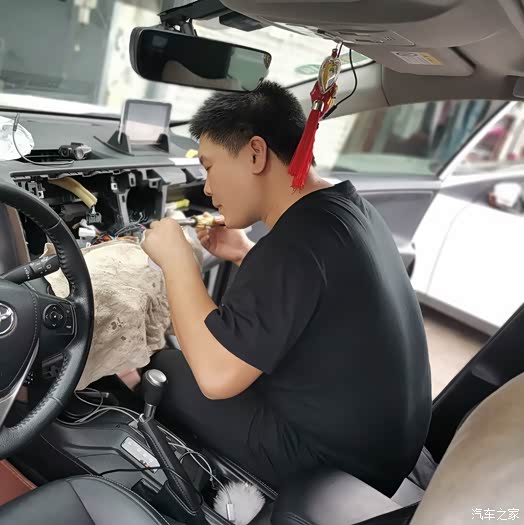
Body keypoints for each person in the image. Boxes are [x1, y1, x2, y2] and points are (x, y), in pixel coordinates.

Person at [140, 81, 432, 496]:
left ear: (255, 154)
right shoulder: (345, 209)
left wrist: (177, 262)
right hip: (384, 450)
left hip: (333, 465)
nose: (206, 188)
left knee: (163, 366)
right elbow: (313, 296)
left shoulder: (294, 245)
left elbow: (215, 376)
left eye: (209, 167)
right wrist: (244, 253)